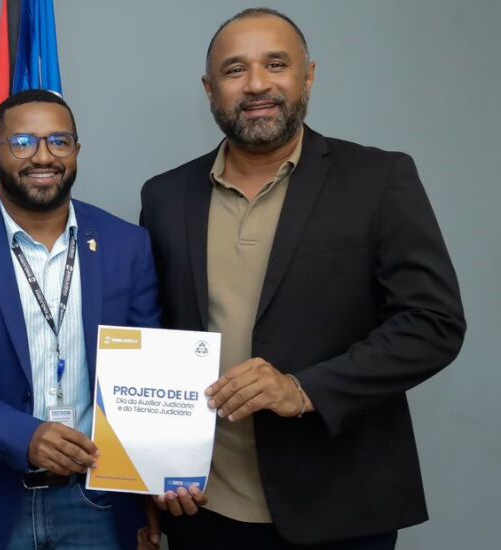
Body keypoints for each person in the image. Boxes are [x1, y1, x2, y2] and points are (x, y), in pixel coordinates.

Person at [138, 8, 466, 549]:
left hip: (340, 505)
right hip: (204, 508)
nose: (258, 84)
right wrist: (152, 469)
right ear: (209, 88)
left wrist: (303, 388)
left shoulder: (379, 179)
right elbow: (159, 337)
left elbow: (433, 324)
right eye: (235, 70)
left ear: (308, 76)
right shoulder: (166, 195)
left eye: (276, 64)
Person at [0, 89, 160, 549]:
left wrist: (155, 482)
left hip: (99, 500)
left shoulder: (128, 244)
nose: (43, 156)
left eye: (59, 141)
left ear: (77, 152)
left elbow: (150, 373)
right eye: (23, 142)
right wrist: (26, 436)